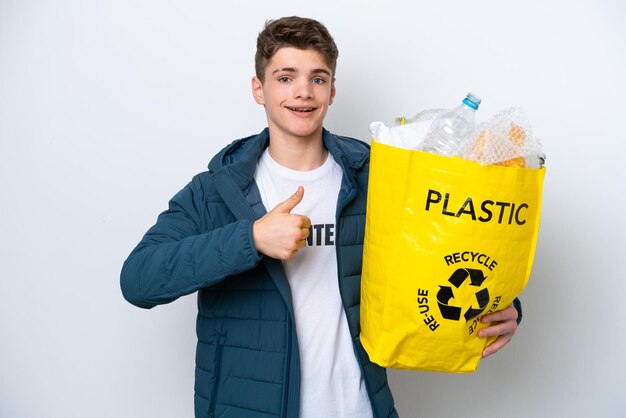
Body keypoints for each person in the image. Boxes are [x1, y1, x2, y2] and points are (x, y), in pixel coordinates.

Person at [120, 16, 521, 418]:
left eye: (317, 78)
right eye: (285, 77)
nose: (302, 92)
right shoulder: (215, 190)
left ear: (332, 90)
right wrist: (252, 239)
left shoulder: (377, 177)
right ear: (258, 89)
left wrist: (505, 306)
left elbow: (441, 252)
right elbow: (138, 280)